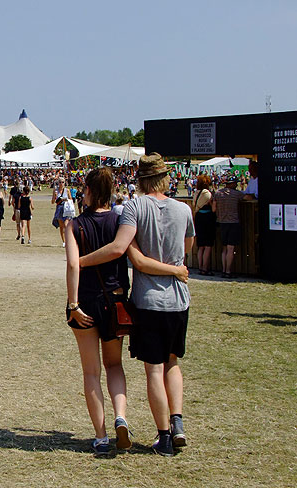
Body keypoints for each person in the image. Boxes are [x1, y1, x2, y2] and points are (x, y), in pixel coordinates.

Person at [78, 154, 194, 457]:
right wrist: (175, 269)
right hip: (179, 298)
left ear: (140, 180)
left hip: (149, 299)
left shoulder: (135, 207)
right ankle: (177, 421)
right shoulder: (184, 209)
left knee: (154, 369)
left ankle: (164, 436)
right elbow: (187, 249)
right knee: (173, 362)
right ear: (166, 177)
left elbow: (125, 251)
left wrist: (79, 262)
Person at [213, 174, 245, 278]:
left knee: (224, 248)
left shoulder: (218, 193)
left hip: (222, 222)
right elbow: (246, 197)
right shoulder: (237, 194)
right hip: (233, 222)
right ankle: (228, 271)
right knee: (231, 248)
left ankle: (223, 270)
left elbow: (214, 208)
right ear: (232, 184)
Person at [192, 174, 216, 275]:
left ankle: (200, 267)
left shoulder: (196, 193)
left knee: (200, 246)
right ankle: (205, 268)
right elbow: (213, 208)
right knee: (208, 245)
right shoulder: (207, 194)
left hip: (198, 218)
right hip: (207, 219)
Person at [52, 177, 72, 247]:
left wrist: (63, 199)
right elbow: (52, 202)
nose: (61, 184)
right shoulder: (56, 191)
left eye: (63, 182)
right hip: (59, 209)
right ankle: (64, 241)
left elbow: (71, 200)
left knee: (66, 225)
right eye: (60, 182)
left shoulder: (67, 190)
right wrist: (55, 197)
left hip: (66, 208)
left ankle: (68, 240)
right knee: (61, 226)